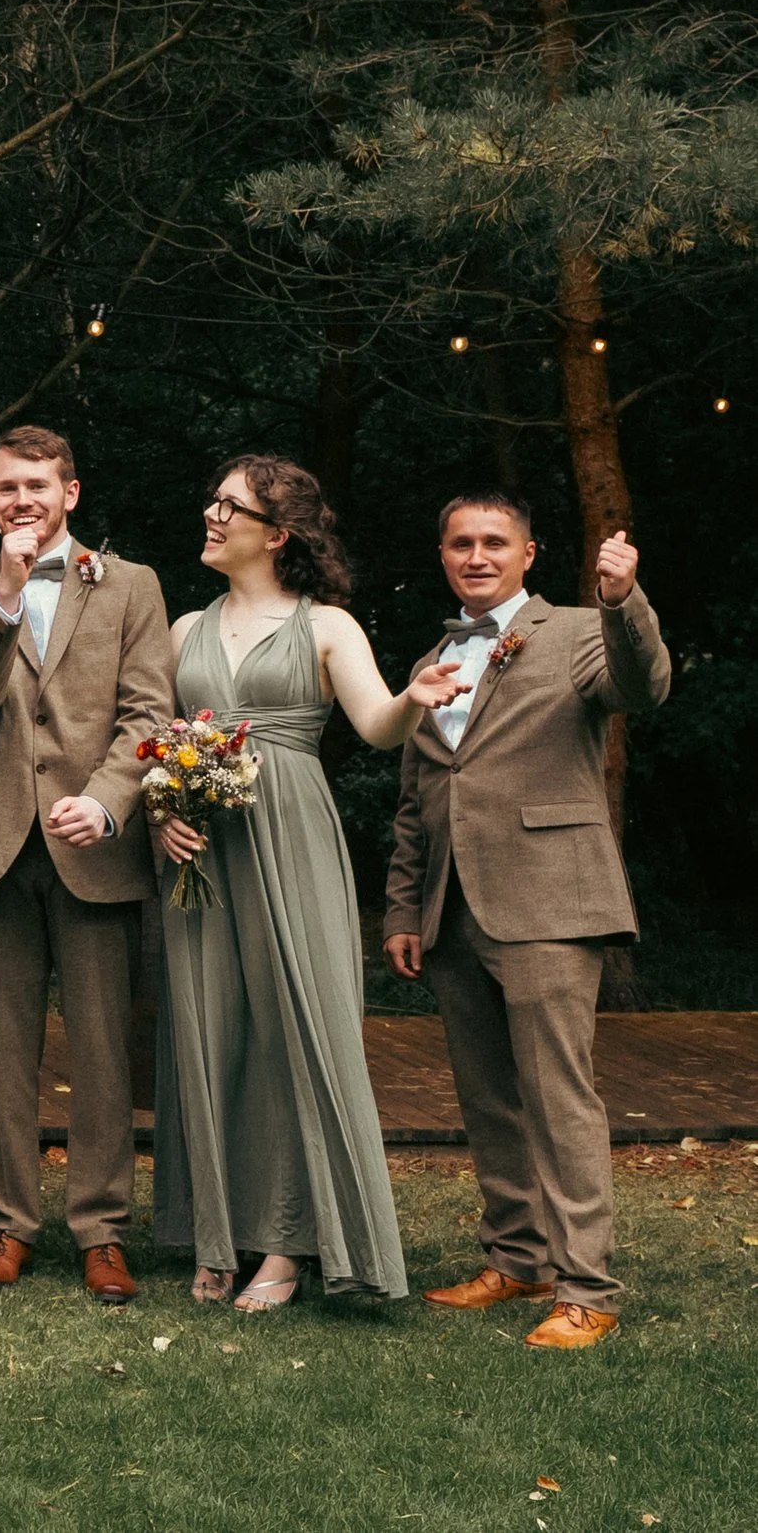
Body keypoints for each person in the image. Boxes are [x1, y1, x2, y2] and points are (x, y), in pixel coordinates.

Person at [147, 458, 465, 1311]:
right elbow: (157, 739)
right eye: (213, 500)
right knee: (207, 1029)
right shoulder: (183, 629)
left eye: (230, 506)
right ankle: (216, 1234)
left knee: (293, 1028)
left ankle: (287, 1244)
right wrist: (161, 812)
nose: (212, 514)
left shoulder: (327, 626)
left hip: (289, 835)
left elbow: (376, 725)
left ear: (276, 533)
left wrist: (414, 697)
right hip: (202, 850)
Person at [383, 492, 669, 1350]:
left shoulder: (580, 630)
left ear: (529, 553)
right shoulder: (435, 656)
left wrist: (622, 600)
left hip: (549, 898)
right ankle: (519, 1257)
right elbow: (417, 797)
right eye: (460, 543)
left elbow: (642, 684)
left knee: (557, 1097)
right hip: (452, 907)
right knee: (488, 1099)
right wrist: (404, 906)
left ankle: (588, 1287)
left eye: (494, 542)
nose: (477, 555)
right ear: (443, 554)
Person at [0, 426, 173, 1304]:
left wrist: (107, 801)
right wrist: (4, 590)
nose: (21, 499)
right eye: (5, 487)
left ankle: (102, 1231)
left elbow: (148, 711)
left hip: (94, 846)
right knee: (6, 1050)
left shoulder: (132, 585)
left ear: (70, 492)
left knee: (103, 1049)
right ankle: (9, 1223)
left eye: (36, 484)